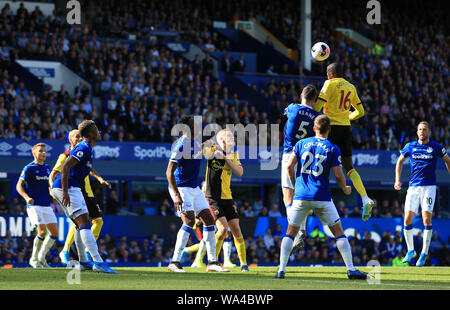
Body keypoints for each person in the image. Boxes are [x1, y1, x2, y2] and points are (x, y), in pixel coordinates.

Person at [274, 115, 368, 280]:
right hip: (322, 197)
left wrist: (294, 185)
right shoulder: (332, 147)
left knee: (290, 233)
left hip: (301, 196)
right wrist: (344, 188)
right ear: (329, 130)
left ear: (314, 128)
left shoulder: (301, 143)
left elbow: (289, 166)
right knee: (339, 233)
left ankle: (281, 270)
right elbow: (339, 175)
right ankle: (351, 269)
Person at [51, 120, 117, 274]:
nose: (99, 132)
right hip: (67, 188)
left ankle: (84, 262)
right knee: (85, 223)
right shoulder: (84, 147)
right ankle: (98, 262)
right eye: (96, 129)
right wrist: (66, 191)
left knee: (82, 224)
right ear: (89, 134)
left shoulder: (87, 149)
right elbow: (66, 166)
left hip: (72, 188)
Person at [166, 115, 228, 272]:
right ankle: (175, 262)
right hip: (181, 188)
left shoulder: (195, 143)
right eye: (196, 124)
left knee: (209, 220)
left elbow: (201, 154)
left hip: (194, 188)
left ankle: (212, 262)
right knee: (188, 221)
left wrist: (210, 146)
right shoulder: (180, 145)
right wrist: (177, 195)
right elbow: (169, 172)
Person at [313, 63, 374, 220]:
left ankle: (319, 200)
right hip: (346, 129)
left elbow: (318, 107)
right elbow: (360, 112)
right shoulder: (351, 87)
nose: (327, 77)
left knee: (321, 164)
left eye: (327, 74)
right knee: (349, 168)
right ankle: (366, 198)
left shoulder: (329, 83)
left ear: (331, 74)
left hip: (330, 129)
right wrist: (347, 117)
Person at [394, 121, 450, 266]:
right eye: (419, 129)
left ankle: (424, 253)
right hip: (413, 187)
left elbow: (447, 161)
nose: (421, 132)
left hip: (429, 187)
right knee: (407, 219)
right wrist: (397, 180)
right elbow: (399, 161)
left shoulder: (436, 147)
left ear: (429, 132)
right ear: (417, 131)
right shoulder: (410, 146)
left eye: (424, 129)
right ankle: (411, 250)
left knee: (426, 220)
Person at [195, 129, 249, 272]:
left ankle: (244, 264)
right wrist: (209, 143)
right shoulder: (213, 150)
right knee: (223, 228)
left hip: (228, 197)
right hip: (213, 197)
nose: (233, 137)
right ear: (222, 139)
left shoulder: (234, 155)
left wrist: (225, 158)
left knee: (236, 229)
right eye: (229, 136)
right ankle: (213, 262)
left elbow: (240, 172)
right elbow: (199, 152)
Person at [282, 84, 320, 255]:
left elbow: (285, 113)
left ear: (301, 95)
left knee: (287, 195)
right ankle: (302, 229)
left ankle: (296, 233)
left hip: (290, 153)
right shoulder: (317, 116)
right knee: (300, 193)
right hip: (307, 157)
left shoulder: (293, 108)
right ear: (315, 99)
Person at [16, 143, 58, 268]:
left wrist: (54, 195)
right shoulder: (29, 168)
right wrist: (26, 197)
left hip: (46, 205)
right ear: (34, 153)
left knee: (55, 233)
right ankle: (34, 259)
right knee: (42, 231)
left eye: (44, 151)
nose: (43, 153)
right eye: (40, 151)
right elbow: (19, 185)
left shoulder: (47, 168)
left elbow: (49, 187)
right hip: (34, 206)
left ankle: (42, 258)